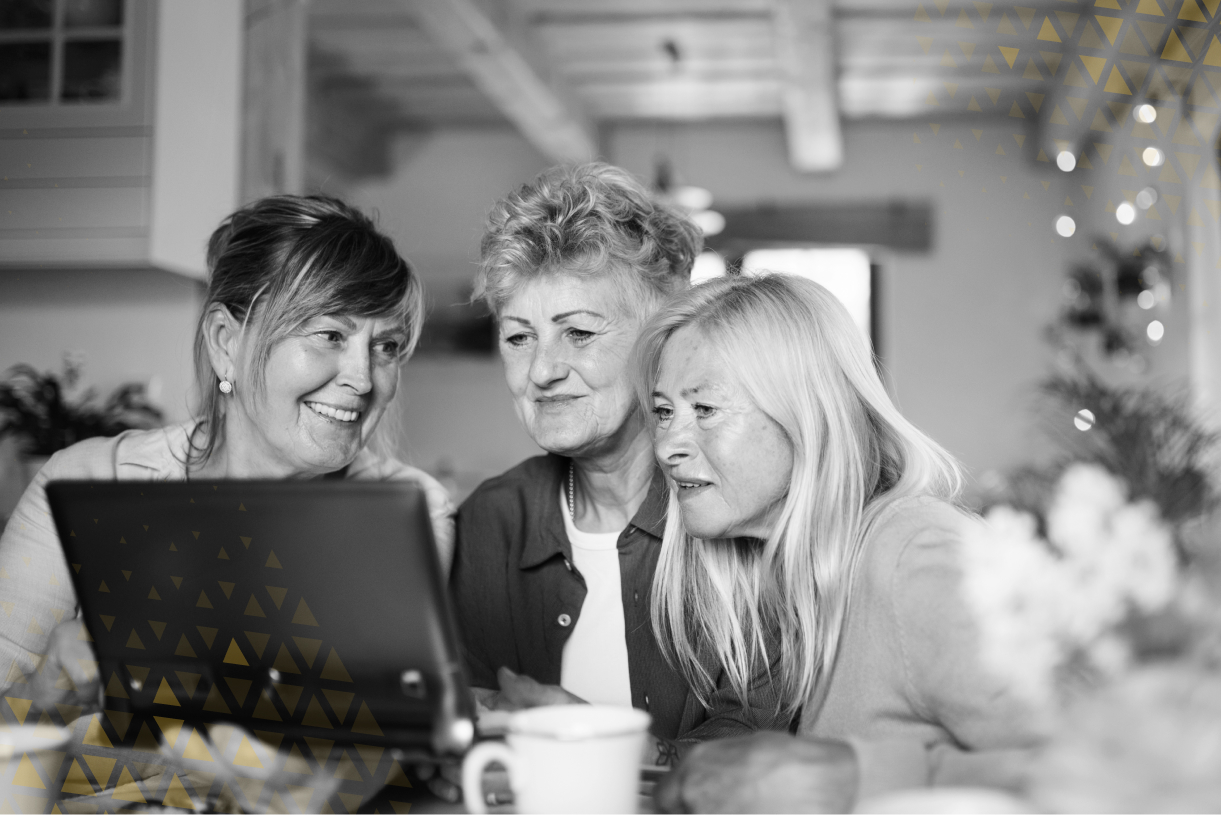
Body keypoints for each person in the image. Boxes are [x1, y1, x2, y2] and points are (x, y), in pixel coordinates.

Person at [0, 193, 454, 716]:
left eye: (386, 347)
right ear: (225, 342)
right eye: (330, 334)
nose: (362, 378)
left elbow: (362, 740)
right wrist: (42, 695)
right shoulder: (85, 481)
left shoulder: (411, 513)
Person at [636, 274, 1047, 812]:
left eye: (705, 409)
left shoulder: (915, 558)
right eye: (664, 412)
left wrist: (847, 779)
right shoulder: (791, 580)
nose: (668, 446)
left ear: (807, 414)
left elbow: (1126, 771)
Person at [450, 163, 788, 761]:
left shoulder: (740, 511)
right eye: (519, 337)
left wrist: (609, 748)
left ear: (662, 335)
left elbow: (758, 749)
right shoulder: (489, 522)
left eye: (578, 333)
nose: (542, 372)